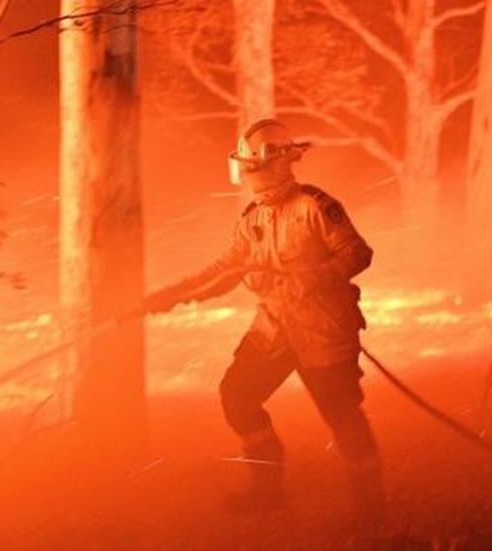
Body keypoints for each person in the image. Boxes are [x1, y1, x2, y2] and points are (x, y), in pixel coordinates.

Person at [143, 119, 383, 527]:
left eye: (254, 167)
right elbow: (225, 270)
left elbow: (358, 253)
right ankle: (268, 490)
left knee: (342, 415)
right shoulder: (252, 218)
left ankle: (370, 509)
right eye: (246, 168)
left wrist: (312, 278)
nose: (250, 176)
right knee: (237, 395)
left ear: (280, 164)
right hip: (274, 329)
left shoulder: (315, 206)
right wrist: (171, 296)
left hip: (324, 330)